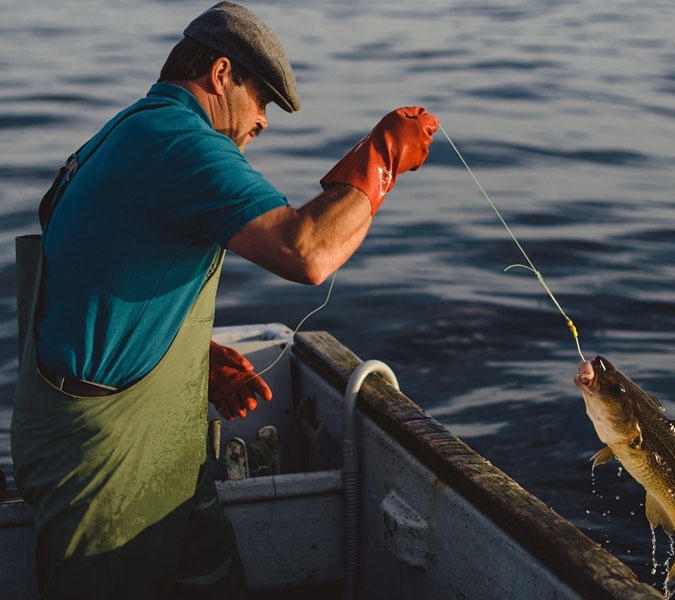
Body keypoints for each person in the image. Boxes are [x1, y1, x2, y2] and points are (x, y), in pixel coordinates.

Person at [10, 2, 438, 598]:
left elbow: (95, 273)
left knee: (210, 576)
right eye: (260, 98)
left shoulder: (130, 129)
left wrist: (190, 360)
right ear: (220, 75)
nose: (263, 122)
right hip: (107, 461)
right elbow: (307, 250)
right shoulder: (179, 142)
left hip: (146, 437)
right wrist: (382, 158)